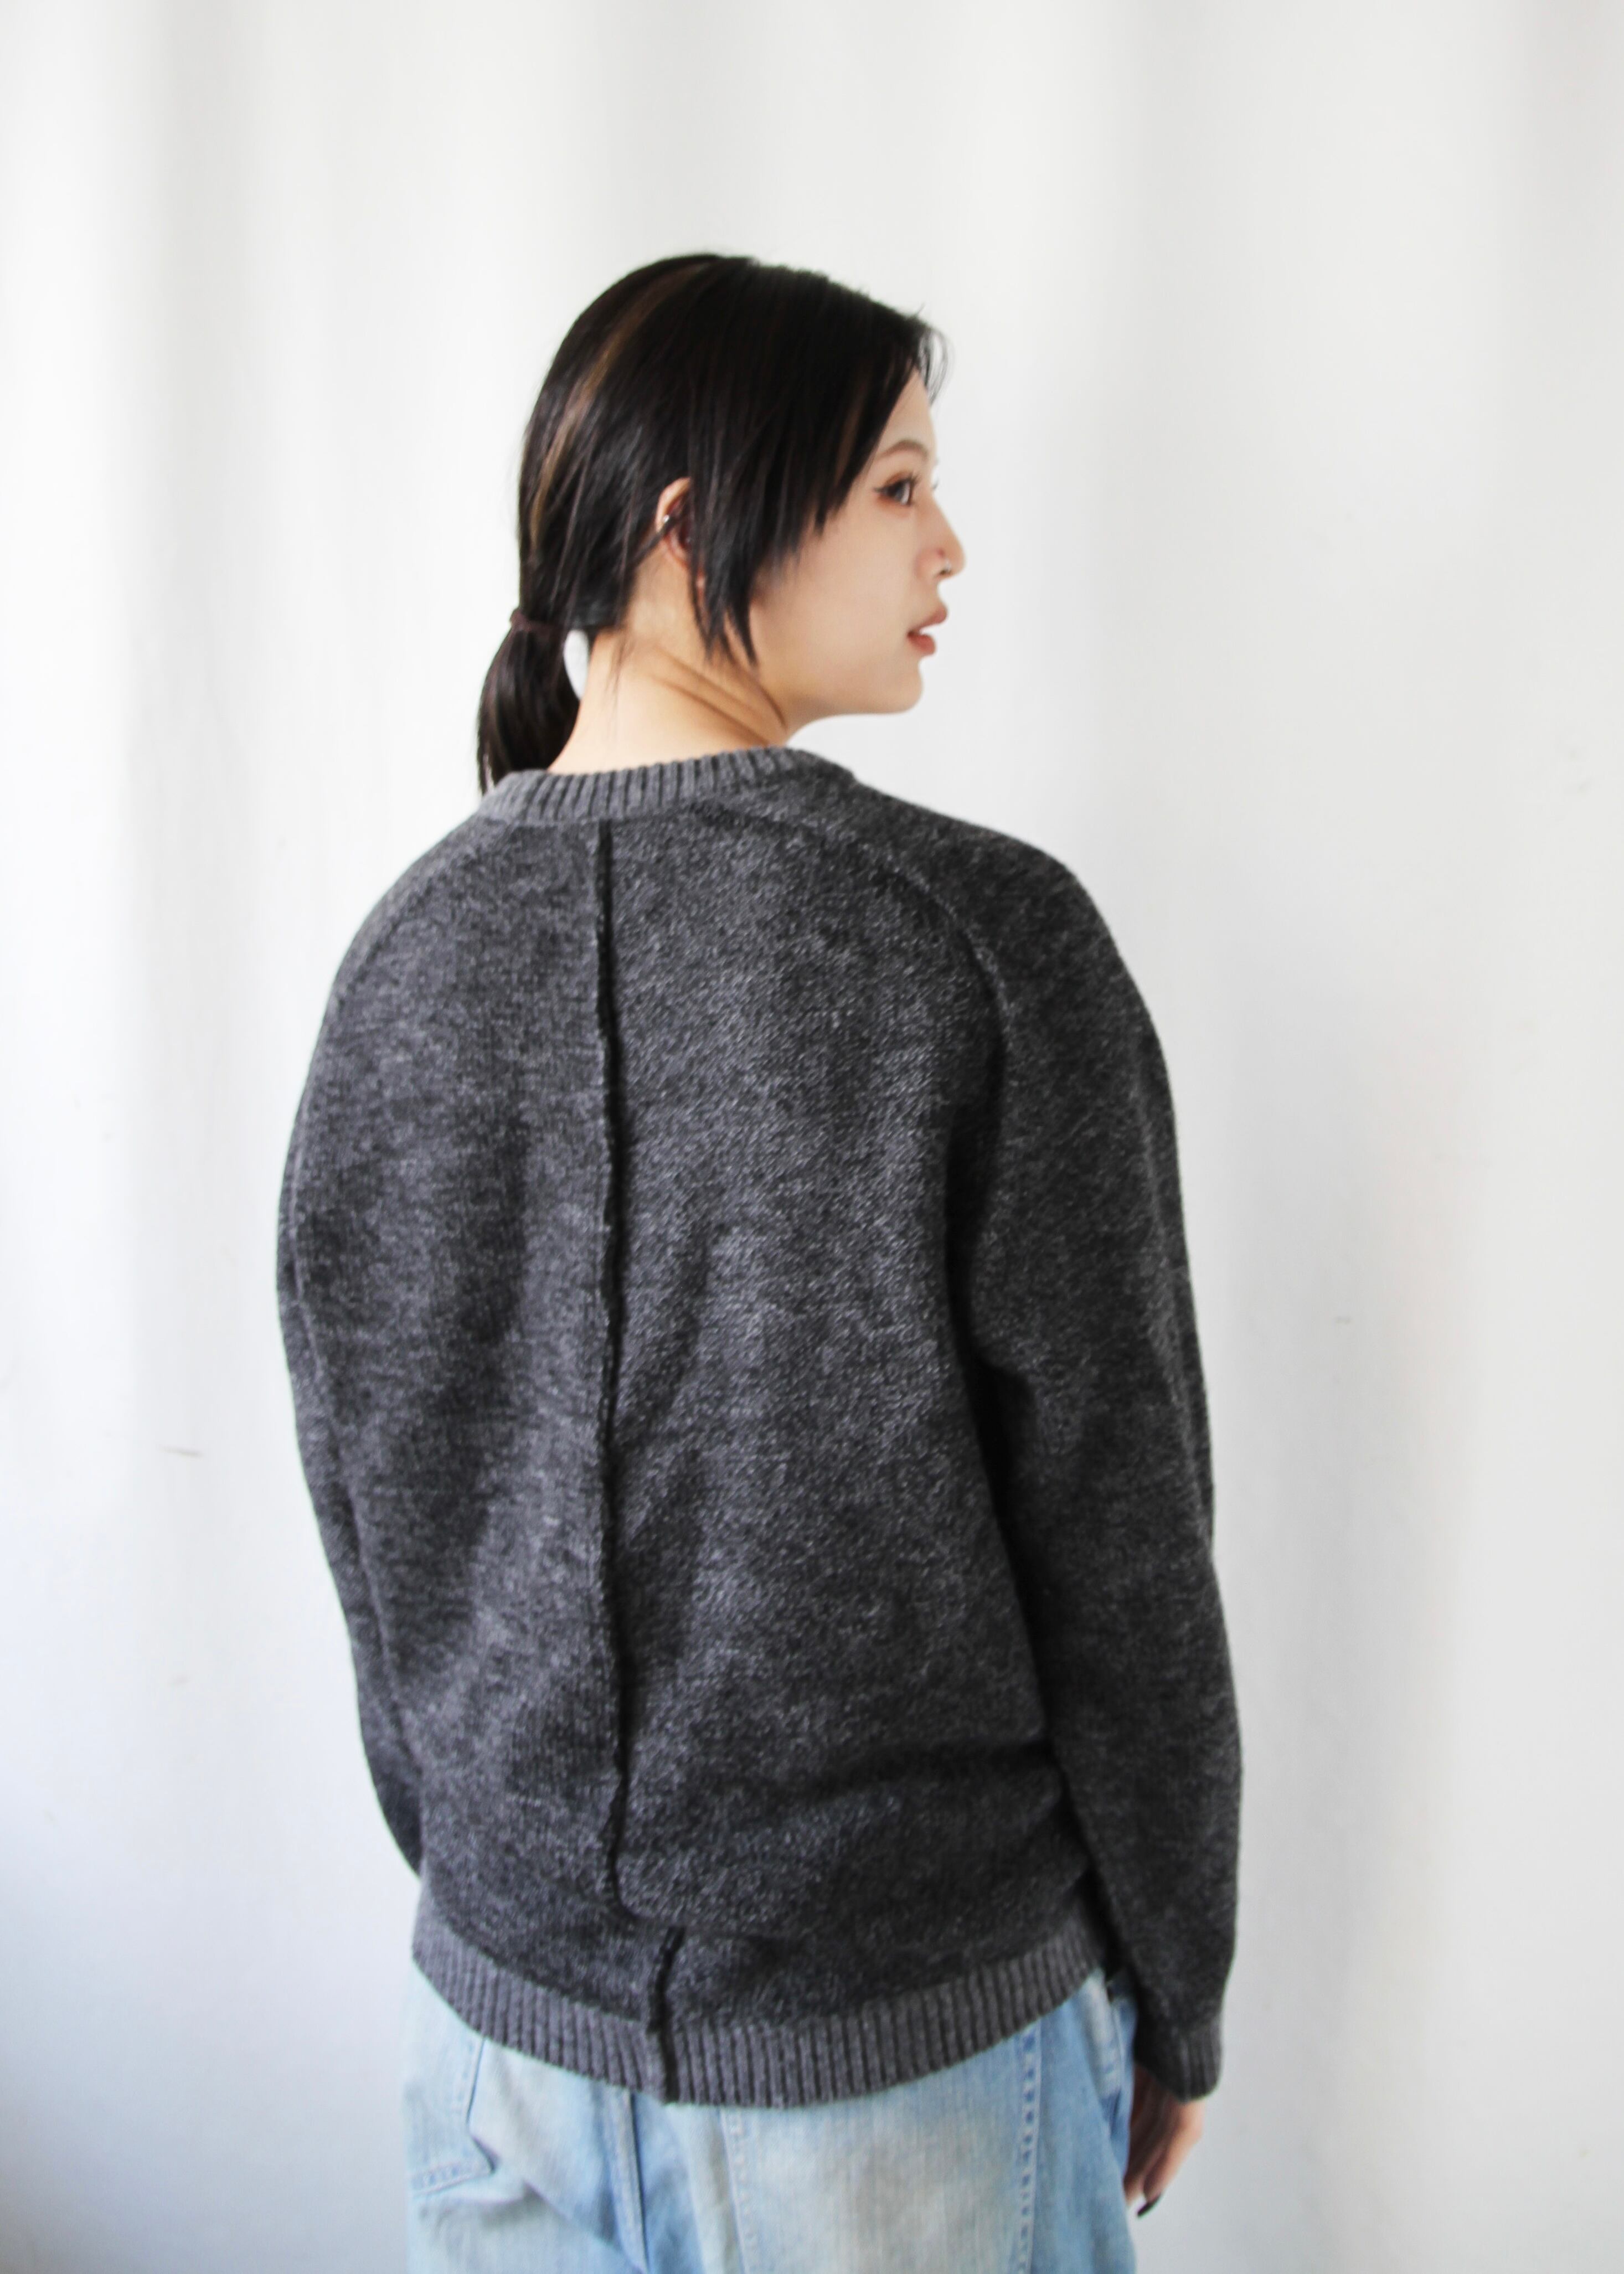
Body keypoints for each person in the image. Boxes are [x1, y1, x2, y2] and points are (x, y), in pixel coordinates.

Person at [276, 253, 1242, 2273]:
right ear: (688, 526)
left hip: (491, 2056)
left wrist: (514, 1905)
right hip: (901, 2079)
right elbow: (1127, 1547)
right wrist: (1180, 1979)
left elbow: (375, 1539)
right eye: (899, 485)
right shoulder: (978, 945)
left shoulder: (398, 967)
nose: (949, 543)